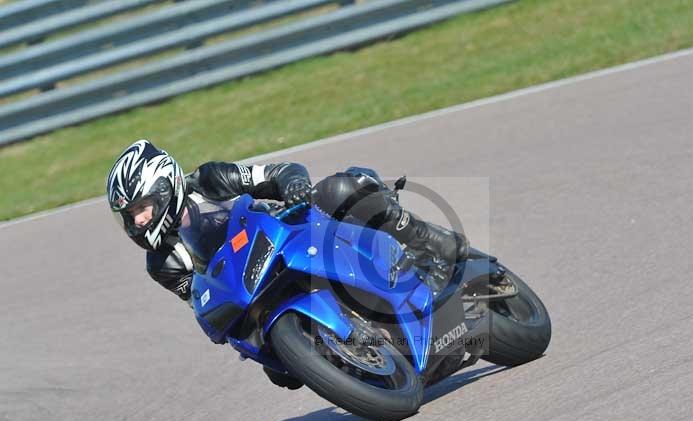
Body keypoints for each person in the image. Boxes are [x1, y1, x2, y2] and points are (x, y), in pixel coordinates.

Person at [106, 140, 469, 386]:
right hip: (255, 289)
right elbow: (201, 298)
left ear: (165, 188)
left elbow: (275, 173)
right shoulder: (163, 263)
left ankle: (431, 244)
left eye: (141, 208)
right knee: (280, 373)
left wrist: (293, 186)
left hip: (293, 232)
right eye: (129, 215)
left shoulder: (209, 180)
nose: (137, 221)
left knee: (342, 189)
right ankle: (365, 363)